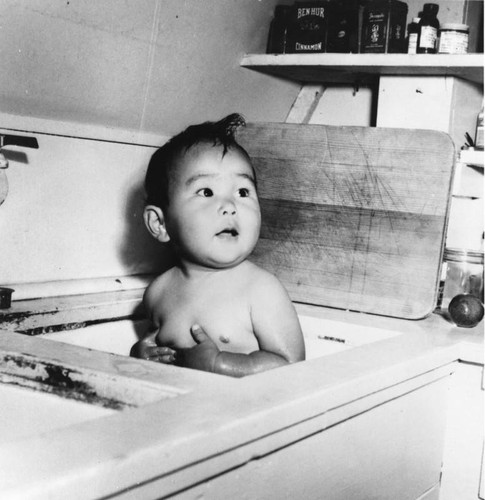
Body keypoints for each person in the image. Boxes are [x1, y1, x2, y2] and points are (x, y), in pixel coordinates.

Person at [130, 113, 305, 377]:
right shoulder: (158, 293)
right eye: (207, 192)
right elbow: (157, 352)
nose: (229, 206)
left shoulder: (260, 291)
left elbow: (292, 366)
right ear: (160, 223)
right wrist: (141, 356)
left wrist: (221, 364)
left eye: (242, 192)